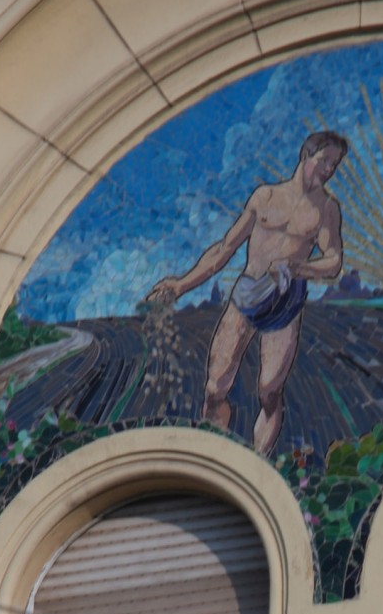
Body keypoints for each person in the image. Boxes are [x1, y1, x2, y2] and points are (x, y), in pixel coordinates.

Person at [147, 130, 347, 455]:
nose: (328, 170)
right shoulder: (265, 197)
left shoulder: (326, 209)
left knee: (269, 390)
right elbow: (225, 248)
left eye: (334, 165)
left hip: (285, 302)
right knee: (215, 386)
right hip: (247, 295)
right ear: (305, 155)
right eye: (324, 161)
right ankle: (213, 453)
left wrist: (297, 267)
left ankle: (259, 460)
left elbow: (333, 261)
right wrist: (181, 284)